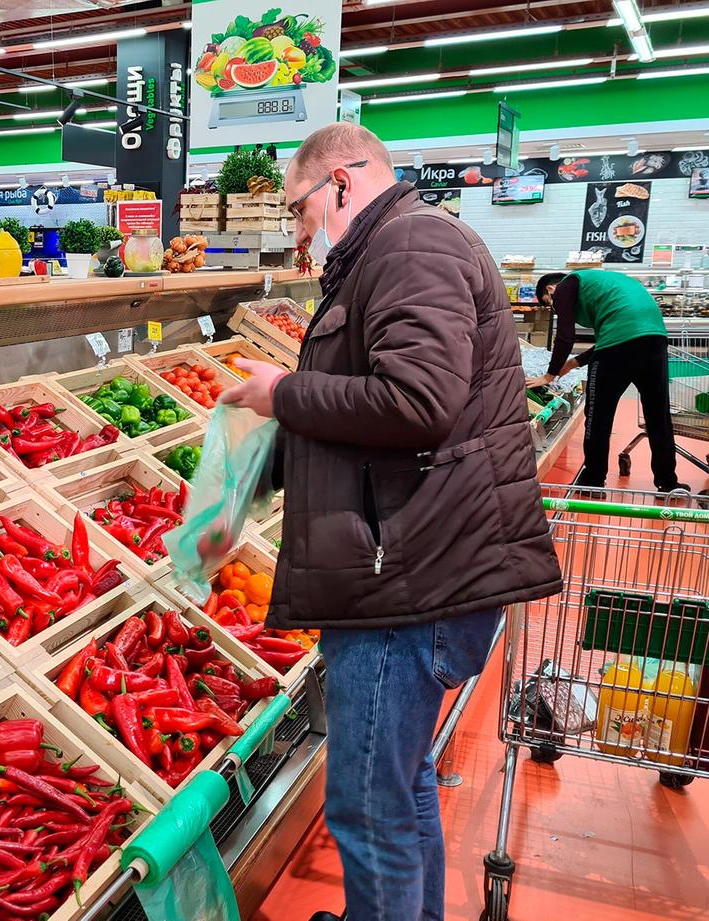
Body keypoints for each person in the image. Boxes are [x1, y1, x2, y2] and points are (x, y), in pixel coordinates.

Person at [220, 123, 561, 921]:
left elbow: (416, 403)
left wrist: (283, 392)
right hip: (411, 563)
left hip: (409, 576)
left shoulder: (411, 248)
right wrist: (246, 493)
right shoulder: (390, 251)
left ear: (342, 181)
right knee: (400, 788)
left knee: (369, 810)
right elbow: (368, 411)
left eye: (301, 212)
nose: (302, 236)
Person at [526, 270, 685, 492]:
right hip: (655, 340)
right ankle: (668, 482)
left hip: (619, 347)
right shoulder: (605, 284)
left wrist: (549, 375)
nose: (556, 307)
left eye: (550, 304)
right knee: (658, 416)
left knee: (598, 415)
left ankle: (592, 480)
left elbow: (565, 335)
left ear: (550, 290)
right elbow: (618, 336)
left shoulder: (564, 286)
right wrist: (573, 364)